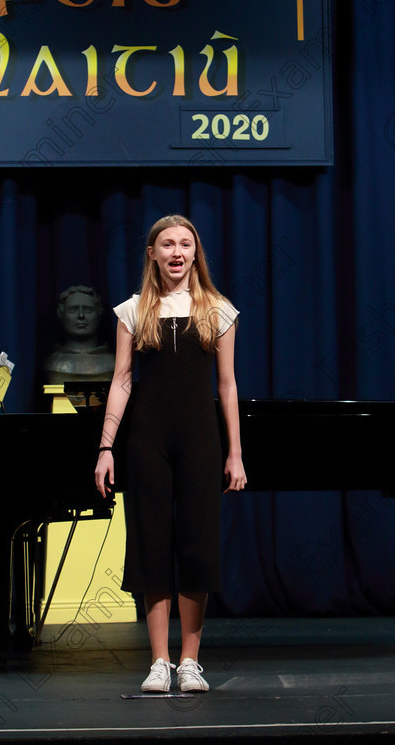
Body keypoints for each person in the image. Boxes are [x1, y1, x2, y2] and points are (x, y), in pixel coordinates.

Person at [94, 215, 246, 693]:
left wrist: (235, 452)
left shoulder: (217, 310)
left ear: (195, 253)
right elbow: (120, 382)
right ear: (153, 255)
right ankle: (159, 661)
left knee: (197, 543)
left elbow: (227, 385)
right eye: (168, 244)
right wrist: (105, 447)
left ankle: (189, 661)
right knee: (151, 544)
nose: (177, 252)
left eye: (186, 244)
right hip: (147, 440)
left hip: (201, 439)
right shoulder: (132, 311)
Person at [44, 286, 115, 383]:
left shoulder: (113, 363)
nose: (81, 315)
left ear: (99, 314)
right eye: (73, 310)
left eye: (88, 310)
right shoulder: (53, 363)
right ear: (61, 314)